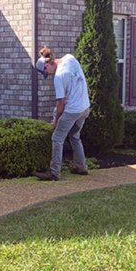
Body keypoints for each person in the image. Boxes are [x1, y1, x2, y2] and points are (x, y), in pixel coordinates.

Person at [33, 46, 91, 181]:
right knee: (75, 136)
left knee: (57, 138)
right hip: (85, 108)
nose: (49, 74)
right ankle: (81, 167)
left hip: (72, 110)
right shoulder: (70, 58)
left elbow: (60, 103)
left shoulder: (59, 76)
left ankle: (54, 173)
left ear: (47, 64)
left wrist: (56, 120)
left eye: (46, 72)